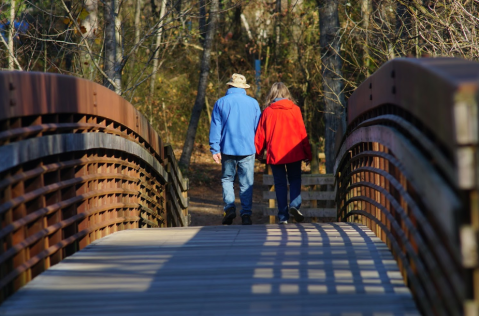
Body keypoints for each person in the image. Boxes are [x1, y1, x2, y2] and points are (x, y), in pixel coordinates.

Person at [255, 82, 312, 224]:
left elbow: (260, 135)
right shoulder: (296, 110)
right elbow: (302, 133)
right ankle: (294, 205)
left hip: (275, 153)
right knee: (295, 179)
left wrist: (258, 153)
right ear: (287, 94)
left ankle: (283, 216)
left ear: (272, 95)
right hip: (294, 152)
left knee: (280, 184)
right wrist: (307, 154)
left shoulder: (268, 112)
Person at [209, 73, 261, 225]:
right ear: (244, 88)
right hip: (248, 148)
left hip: (227, 148)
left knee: (227, 179)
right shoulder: (253, 103)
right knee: (246, 182)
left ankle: (230, 207)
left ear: (229, 86)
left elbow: (216, 127)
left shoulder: (221, 102)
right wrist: (259, 148)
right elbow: (258, 129)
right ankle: (246, 214)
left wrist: (215, 148)